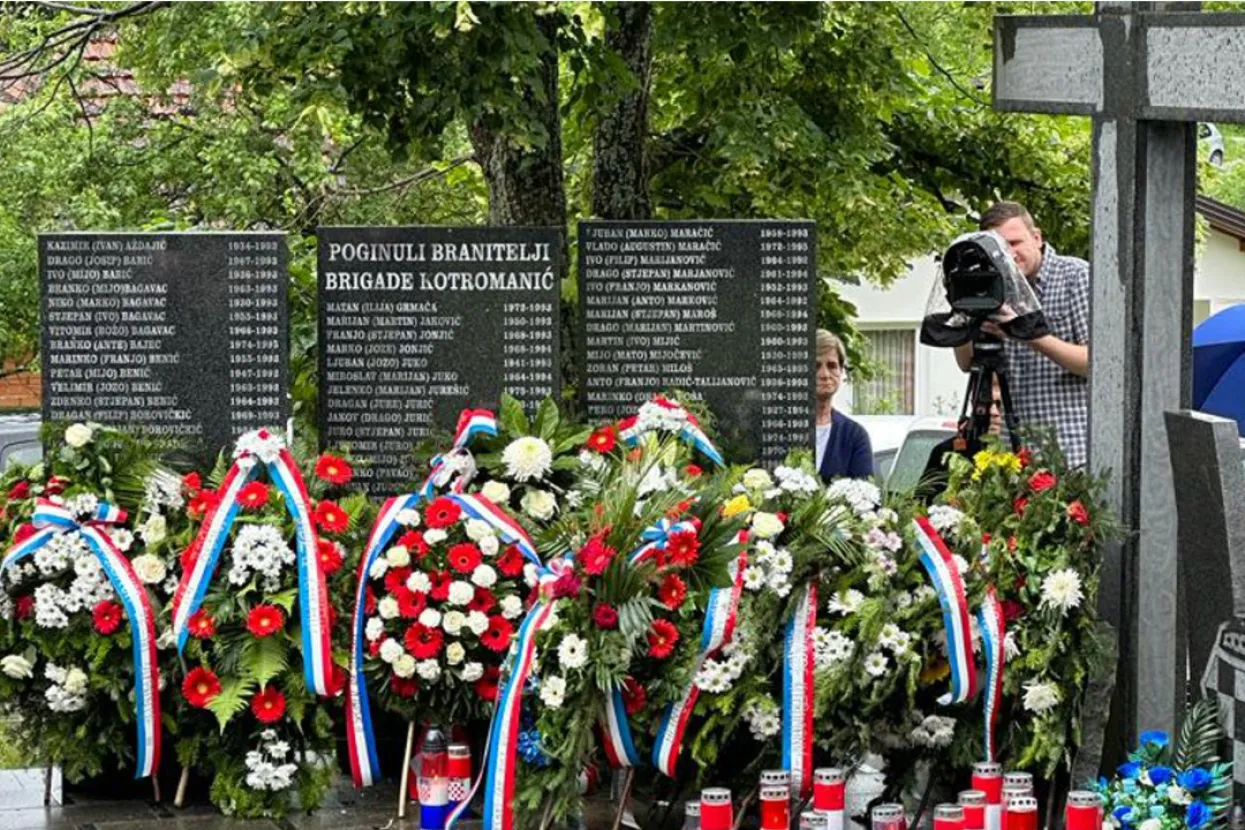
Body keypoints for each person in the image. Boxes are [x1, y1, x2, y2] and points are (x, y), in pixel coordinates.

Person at [954, 201, 1089, 467]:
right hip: (1013, 457)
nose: (1010, 255)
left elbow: (1095, 363)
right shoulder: (990, 285)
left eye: (1015, 243)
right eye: (999, 249)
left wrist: (1025, 334)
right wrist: (964, 310)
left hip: (1071, 453)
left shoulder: (1076, 276)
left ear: (1036, 237)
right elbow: (966, 363)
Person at [917, 377, 1002, 503]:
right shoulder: (946, 452)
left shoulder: (1020, 451)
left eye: (999, 404)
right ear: (974, 403)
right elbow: (921, 505)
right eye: (987, 404)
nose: (994, 411)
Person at [814, 329, 873, 481]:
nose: (825, 374)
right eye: (815, 366)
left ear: (841, 371)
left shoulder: (854, 436)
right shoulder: (778, 430)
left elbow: (864, 495)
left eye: (832, 366)